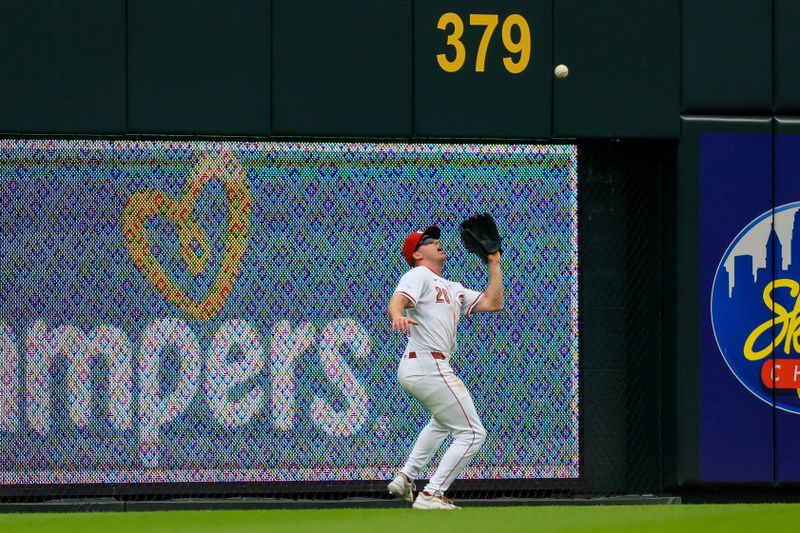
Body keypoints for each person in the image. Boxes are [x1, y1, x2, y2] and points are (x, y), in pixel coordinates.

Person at [386, 225, 504, 510]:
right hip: (428, 363)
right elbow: (398, 299)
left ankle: (406, 477)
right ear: (416, 254)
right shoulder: (418, 274)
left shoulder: (452, 287)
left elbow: (493, 302)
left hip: (424, 366)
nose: (436, 242)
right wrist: (397, 314)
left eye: (436, 238)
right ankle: (431, 495)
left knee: (443, 422)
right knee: (473, 433)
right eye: (428, 241)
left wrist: (494, 262)